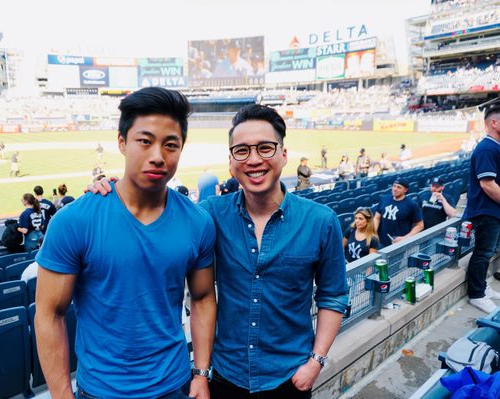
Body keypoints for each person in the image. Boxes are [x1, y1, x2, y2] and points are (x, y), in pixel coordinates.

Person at [92, 104, 348, 398]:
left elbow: (332, 295)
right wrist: (110, 188)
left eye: (265, 148)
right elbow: (155, 208)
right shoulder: (209, 214)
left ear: (283, 154)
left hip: (289, 376)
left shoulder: (320, 221)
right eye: (242, 151)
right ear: (231, 162)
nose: (253, 159)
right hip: (225, 376)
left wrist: (316, 362)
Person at [35, 87, 217, 399]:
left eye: (170, 145)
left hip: (174, 385)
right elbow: (49, 314)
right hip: (101, 391)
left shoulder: (198, 221)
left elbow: (202, 298)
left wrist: (200, 373)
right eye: (144, 142)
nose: (158, 156)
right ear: (122, 142)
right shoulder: (74, 221)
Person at [464, 97, 500, 313]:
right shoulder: (487, 148)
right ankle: (476, 294)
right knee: (483, 252)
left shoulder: (493, 147)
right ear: (493, 123)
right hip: (486, 210)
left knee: (488, 251)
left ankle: (483, 288)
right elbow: (488, 185)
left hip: (492, 209)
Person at [374, 178, 424, 248]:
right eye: (394, 186)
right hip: (381, 242)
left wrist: (405, 238)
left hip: (399, 244)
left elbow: (420, 225)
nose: (395, 189)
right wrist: (374, 233)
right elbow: (377, 217)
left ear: (405, 190)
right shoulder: (384, 199)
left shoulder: (412, 204)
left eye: (399, 187)